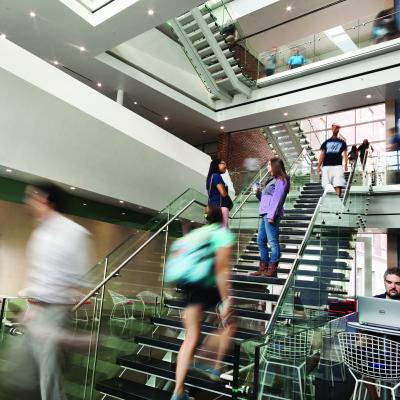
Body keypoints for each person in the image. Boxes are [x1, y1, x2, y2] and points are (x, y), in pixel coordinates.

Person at [3, 182, 91, 400]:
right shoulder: (40, 233)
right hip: (35, 311)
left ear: (45, 199)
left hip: (54, 312)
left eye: (31, 196)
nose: (28, 201)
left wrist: (57, 316)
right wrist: (31, 309)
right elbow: (38, 275)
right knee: (18, 376)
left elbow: (81, 277)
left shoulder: (74, 233)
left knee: (48, 379)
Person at [171, 206, 236, 400]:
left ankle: (178, 392)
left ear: (206, 218)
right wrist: (226, 300)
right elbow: (221, 269)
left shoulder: (197, 233)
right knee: (231, 323)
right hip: (207, 287)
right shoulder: (222, 234)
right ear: (222, 219)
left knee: (190, 336)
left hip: (188, 288)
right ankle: (208, 362)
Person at [252, 157, 290, 277]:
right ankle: (263, 268)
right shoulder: (271, 180)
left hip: (270, 214)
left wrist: (271, 215)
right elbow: (264, 199)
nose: (267, 166)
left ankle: (272, 270)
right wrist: (258, 193)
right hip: (264, 213)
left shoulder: (282, 180)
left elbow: (277, 199)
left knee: (273, 242)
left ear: (275, 166)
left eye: (269, 164)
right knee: (261, 241)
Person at [317, 123, 348, 197]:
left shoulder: (342, 142)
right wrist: (318, 166)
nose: (335, 129)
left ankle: (337, 203)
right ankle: (331, 203)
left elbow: (345, 154)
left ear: (338, 130)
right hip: (326, 165)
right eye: (334, 127)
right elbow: (322, 154)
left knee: (338, 184)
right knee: (327, 186)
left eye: (337, 128)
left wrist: (346, 164)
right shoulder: (326, 142)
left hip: (338, 166)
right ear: (331, 129)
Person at [206, 159, 232, 228]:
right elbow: (223, 193)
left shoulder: (210, 177)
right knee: (223, 231)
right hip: (220, 208)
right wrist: (229, 201)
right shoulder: (216, 176)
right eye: (223, 164)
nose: (226, 166)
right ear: (217, 164)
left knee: (214, 230)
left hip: (212, 208)